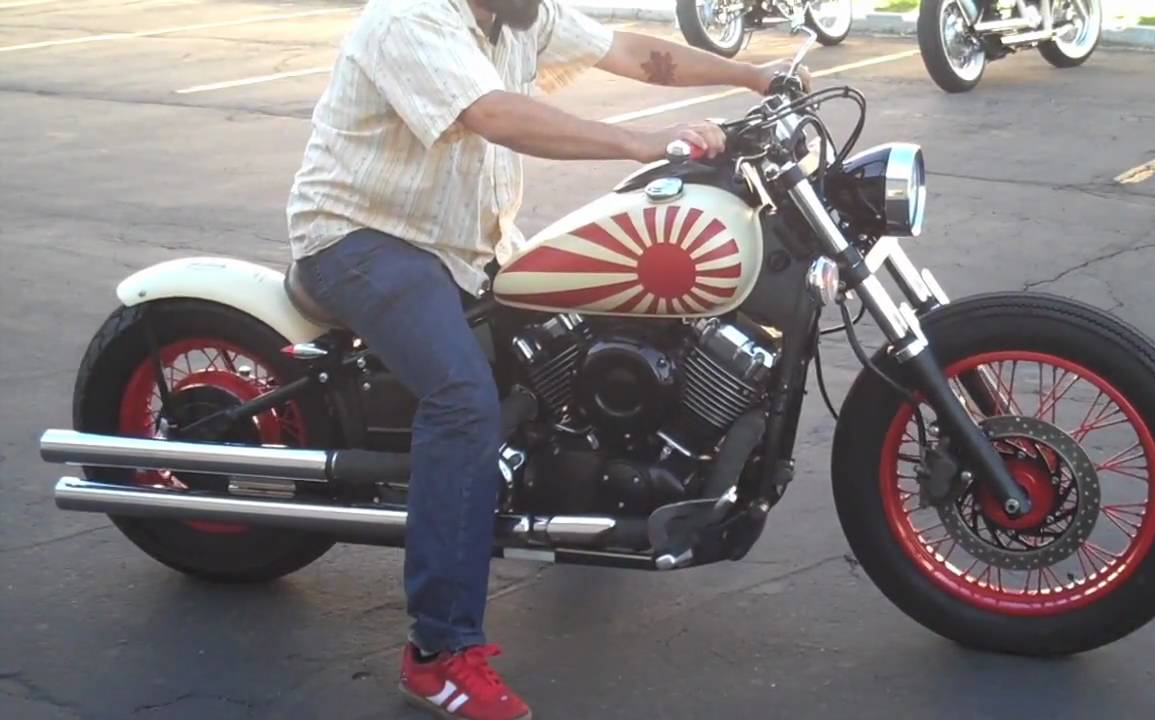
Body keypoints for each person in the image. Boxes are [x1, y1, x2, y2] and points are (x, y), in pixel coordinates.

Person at [286, 0, 804, 717]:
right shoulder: (409, 18)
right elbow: (494, 113)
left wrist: (755, 76)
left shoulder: (519, 15)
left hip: (465, 244)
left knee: (582, 322)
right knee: (463, 402)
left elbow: (629, 50)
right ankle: (437, 652)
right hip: (362, 237)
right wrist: (643, 143)